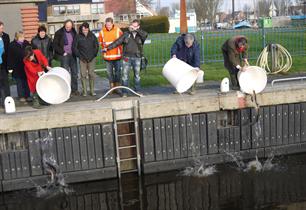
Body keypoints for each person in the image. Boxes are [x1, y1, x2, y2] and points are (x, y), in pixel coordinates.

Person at [105, 19, 148, 97]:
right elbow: (117, 42)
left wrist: (136, 30)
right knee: (125, 76)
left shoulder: (141, 34)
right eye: (132, 26)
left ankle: (137, 91)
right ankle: (125, 92)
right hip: (126, 58)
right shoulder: (126, 34)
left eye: (135, 26)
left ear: (138, 26)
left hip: (137, 57)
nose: (133, 28)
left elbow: (145, 35)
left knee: (137, 76)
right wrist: (108, 48)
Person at [72, 22, 99, 96]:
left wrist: (93, 55)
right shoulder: (78, 36)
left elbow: (96, 46)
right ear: (81, 29)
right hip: (82, 59)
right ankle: (85, 91)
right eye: (83, 30)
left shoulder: (92, 36)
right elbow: (74, 48)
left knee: (91, 74)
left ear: (88, 29)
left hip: (91, 59)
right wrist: (80, 57)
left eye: (86, 30)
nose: (85, 31)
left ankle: (92, 91)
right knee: (83, 75)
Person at [53, 19, 79, 95]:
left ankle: (74, 89)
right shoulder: (59, 33)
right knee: (65, 73)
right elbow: (55, 45)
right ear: (64, 25)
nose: (68, 28)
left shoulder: (74, 31)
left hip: (73, 55)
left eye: (70, 27)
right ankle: (66, 90)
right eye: (67, 27)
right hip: (64, 55)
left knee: (74, 73)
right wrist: (62, 52)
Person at [99, 17, 123, 94]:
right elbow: (100, 42)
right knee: (109, 73)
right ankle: (111, 88)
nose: (108, 26)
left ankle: (117, 87)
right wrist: (103, 45)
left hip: (117, 55)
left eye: (109, 25)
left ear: (112, 23)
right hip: (107, 56)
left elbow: (122, 40)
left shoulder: (118, 30)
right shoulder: (102, 31)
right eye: (107, 25)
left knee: (118, 72)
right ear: (105, 24)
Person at [7, 31, 31, 103]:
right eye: (21, 37)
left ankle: (28, 95)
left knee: (26, 82)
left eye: (23, 37)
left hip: (25, 66)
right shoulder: (12, 45)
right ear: (17, 37)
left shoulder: (26, 43)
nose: (23, 38)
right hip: (16, 67)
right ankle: (21, 96)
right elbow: (9, 57)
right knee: (19, 82)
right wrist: (10, 67)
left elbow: (30, 51)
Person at [0, 21, 10, 105]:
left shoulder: (6, 36)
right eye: (1, 28)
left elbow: (7, 51)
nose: (2, 29)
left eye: (2, 28)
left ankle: (7, 100)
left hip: (4, 63)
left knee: (5, 82)